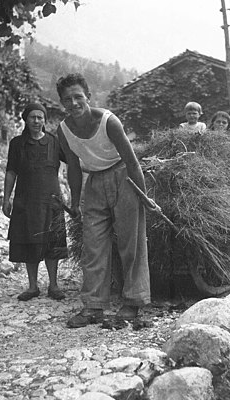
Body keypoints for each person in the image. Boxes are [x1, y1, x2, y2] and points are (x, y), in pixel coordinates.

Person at [56, 73, 151, 328]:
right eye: (67, 99)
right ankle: (93, 306)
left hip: (123, 177)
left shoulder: (109, 122)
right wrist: (75, 202)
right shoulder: (63, 130)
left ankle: (133, 301)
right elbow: (73, 167)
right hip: (95, 182)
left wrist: (143, 196)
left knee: (130, 243)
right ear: (62, 103)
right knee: (93, 245)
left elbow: (132, 162)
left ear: (88, 96)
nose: (74, 103)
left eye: (78, 97)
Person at [2, 103, 67, 301]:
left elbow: (73, 162)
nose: (36, 121)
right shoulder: (17, 144)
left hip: (51, 200)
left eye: (40, 117)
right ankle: (32, 287)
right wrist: (6, 198)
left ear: (44, 120)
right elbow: (11, 172)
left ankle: (54, 285)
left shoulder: (54, 142)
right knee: (29, 240)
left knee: (52, 242)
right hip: (26, 200)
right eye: (32, 117)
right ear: (26, 119)